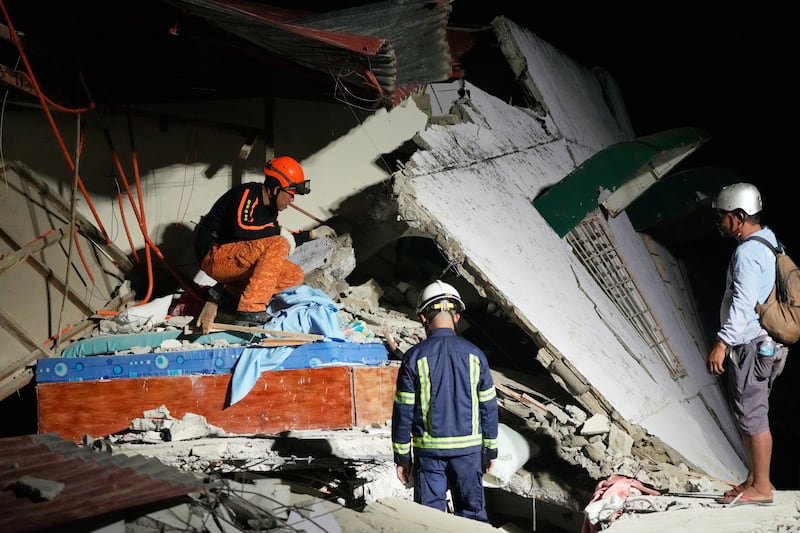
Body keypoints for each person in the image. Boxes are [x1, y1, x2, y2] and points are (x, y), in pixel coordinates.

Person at [391, 280, 499, 522]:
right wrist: (490, 449)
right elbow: (489, 408)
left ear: (423, 318)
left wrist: (402, 458)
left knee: (430, 520)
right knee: (472, 518)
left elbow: (403, 412)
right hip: (469, 454)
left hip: (429, 454)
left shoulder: (414, 358)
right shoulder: (475, 355)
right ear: (457, 316)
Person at [707, 182, 788, 504]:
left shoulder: (747, 252)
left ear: (739, 216)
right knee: (752, 412)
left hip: (752, 345)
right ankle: (753, 479)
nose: (719, 221)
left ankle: (762, 487)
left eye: (723, 215)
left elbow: (743, 302)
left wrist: (721, 343)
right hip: (767, 345)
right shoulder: (769, 241)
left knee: (753, 415)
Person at [193, 155, 335, 330]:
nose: (292, 200)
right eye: (290, 194)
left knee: (293, 275)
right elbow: (241, 228)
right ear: (276, 189)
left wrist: (312, 234)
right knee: (279, 243)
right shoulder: (248, 194)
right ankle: (250, 310)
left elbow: (270, 234)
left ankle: (227, 293)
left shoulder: (270, 212)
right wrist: (279, 232)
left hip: (236, 258)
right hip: (214, 255)